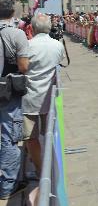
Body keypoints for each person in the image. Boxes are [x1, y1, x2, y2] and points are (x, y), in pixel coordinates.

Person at [23, 14, 65, 182]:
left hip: (29, 97)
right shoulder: (57, 45)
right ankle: (52, 167)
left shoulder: (27, 45)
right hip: (50, 96)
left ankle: (41, 171)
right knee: (49, 135)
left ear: (32, 28)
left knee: (31, 138)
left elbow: (23, 67)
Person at [0, 0, 29, 199]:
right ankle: (7, 186)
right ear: (12, 11)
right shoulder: (16, 34)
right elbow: (24, 66)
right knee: (9, 137)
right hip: (6, 91)